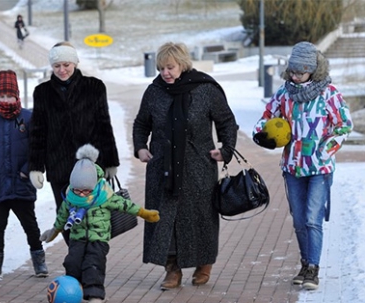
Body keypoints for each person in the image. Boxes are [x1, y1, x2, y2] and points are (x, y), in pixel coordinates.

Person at [132, 42, 238, 290]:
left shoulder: (205, 89)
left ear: (182, 64)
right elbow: (141, 123)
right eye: (161, 68)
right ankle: (172, 269)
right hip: (163, 167)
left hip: (198, 165)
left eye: (170, 67)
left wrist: (226, 150)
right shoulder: (154, 91)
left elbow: (227, 122)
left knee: (201, 216)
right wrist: (140, 146)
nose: (165, 73)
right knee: (165, 217)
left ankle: (204, 263)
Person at [252, 41, 353, 290]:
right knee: (298, 219)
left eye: (301, 72)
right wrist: (260, 135)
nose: (296, 77)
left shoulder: (329, 93)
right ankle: (305, 263)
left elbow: (344, 124)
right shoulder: (284, 94)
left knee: (311, 218)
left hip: (319, 168)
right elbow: (266, 118)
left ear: (313, 70)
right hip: (293, 167)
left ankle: (313, 269)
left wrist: (325, 150)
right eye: (293, 72)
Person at [40, 144, 160, 303]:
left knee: (93, 264)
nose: (81, 194)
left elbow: (125, 205)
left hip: (99, 238)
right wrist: (53, 231)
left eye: (86, 191)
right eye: (78, 191)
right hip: (77, 238)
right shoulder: (70, 198)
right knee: (72, 263)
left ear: (94, 185)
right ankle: (74, 290)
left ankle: (95, 295)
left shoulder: (104, 195)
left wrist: (144, 213)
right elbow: (62, 217)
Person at [29, 41, 120, 246]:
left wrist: (111, 161)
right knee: (65, 216)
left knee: (94, 216)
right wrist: (36, 167)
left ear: (75, 63)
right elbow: (38, 131)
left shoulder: (94, 87)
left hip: (90, 167)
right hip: (58, 165)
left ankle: (91, 265)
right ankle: (76, 259)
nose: (62, 70)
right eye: (57, 66)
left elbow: (104, 125)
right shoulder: (42, 92)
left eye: (66, 64)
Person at [0, 69, 48, 278]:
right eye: (2, 96)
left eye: (10, 95)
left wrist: (28, 171)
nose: (6, 100)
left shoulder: (29, 118)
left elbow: (39, 147)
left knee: (30, 225)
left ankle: (39, 262)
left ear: (17, 96)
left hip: (22, 183)